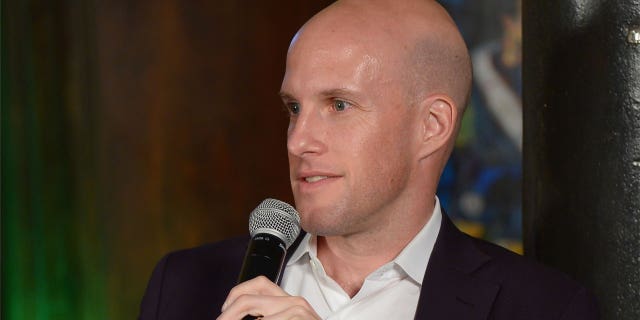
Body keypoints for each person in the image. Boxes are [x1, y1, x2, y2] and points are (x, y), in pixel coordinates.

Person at [139, 0, 599, 319]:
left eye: (339, 105)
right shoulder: (183, 284)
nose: (299, 140)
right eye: (293, 108)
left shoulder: (544, 308)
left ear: (432, 126)